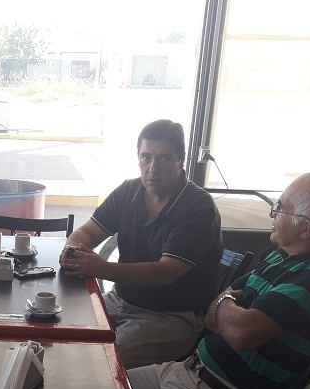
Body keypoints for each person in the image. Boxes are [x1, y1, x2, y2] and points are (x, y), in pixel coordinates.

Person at [128, 172, 310, 389]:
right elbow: (212, 317)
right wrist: (229, 306)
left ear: (305, 228)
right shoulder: (282, 254)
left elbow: (240, 332)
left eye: (279, 208)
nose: (272, 214)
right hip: (187, 372)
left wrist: (226, 302)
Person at [59, 119, 223, 368]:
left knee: (100, 364)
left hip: (172, 317)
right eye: (146, 157)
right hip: (120, 301)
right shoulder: (129, 190)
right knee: (58, 330)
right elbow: (87, 232)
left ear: (181, 161)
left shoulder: (198, 207)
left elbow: (165, 272)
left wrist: (101, 268)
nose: (152, 169)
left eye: (164, 159)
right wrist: (73, 251)